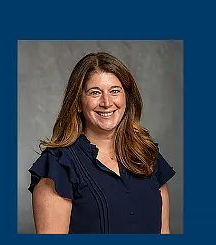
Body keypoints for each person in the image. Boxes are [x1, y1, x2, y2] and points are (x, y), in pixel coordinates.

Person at [27, 52, 176, 234]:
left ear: (126, 99)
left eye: (115, 91)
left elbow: (164, 237)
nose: (106, 102)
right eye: (95, 93)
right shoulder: (58, 166)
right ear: (78, 103)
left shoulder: (148, 155)